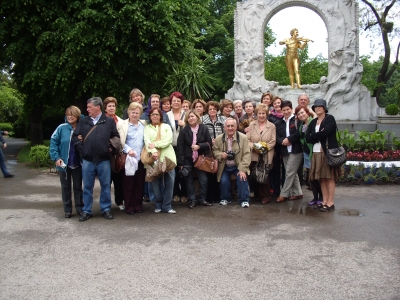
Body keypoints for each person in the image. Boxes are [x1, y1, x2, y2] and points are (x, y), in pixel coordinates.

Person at [73, 97, 120, 221]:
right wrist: (82, 149)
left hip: (104, 160)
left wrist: (110, 148)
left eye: (89, 107)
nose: (87, 109)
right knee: (87, 186)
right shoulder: (83, 122)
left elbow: (116, 137)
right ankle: (87, 210)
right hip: (88, 160)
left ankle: (106, 209)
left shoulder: (109, 121)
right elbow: (75, 138)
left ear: (97, 107)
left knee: (105, 186)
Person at [306, 99, 343, 212]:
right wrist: (317, 134)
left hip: (327, 152)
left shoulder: (329, 118)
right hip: (316, 152)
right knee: (322, 178)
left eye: (320, 106)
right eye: (316, 107)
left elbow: (326, 132)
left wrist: (315, 135)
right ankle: (324, 201)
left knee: (329, 177)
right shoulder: (313, 121)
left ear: (324, 108)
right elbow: (308, 137)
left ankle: (330, 203)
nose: (318, 108)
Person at [50, 106, 84, 218]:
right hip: (64, 164)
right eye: (68, 115)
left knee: (78, 187)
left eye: (72, 114)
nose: (69, 117)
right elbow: (53, 142)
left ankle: (80, 208)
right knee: (65, 187)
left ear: (77, 116)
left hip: (78, 164)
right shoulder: (61, 128)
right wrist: (56, 158)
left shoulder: (82, 128)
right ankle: (68, 210)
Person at [177, 110, 213, 209]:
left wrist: (199, 146)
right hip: (187, 159)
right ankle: (192, 199)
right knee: (188, 180)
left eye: (192, 116)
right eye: (189, 117)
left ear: (197, 117)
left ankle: (202, 199)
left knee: (203, 180)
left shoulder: (204, 128)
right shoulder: (184, 130)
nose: (191, 118)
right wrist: (181, 163)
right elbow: (180, 146)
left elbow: (209, 143)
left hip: (200, 158)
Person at [144, 108, 177, 214]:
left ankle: (167, 205)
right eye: (153, 114)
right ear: (150, 116)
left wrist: (156, 144)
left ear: (160, 116)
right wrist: (153, 152)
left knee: (170, 182)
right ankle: (158, 204)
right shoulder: (147, 128)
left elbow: (169, 140)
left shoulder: (166, 126)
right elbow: (147, 141)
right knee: (155, 183)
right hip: (153, 158)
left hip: (168, 157)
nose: (155, 116)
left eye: (157, 114)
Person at [213, 118, 251, 208]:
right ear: (224, 127)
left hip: (238, 165)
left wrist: (242, 169)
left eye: (232, 126)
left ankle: (244, 200)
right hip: (225, 166)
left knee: (242, 178)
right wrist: (221, 155)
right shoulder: (219, 139)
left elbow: (247, 154)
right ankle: (226, 198)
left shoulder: (243, 138)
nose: (230, 128)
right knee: (224, 181)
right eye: (228, 126)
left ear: (236, 127)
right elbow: (214, 151)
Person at [117, 102, 145, 215]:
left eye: (137, 113)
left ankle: (138, 205)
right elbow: (119, 141)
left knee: (139, 183)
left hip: (141, 158)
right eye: (133, 112)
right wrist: (128, 150)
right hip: (128, 158)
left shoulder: (144, 124)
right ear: (128, 112)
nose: (134, 114)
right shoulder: (122, 124)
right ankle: (129, 206)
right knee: (128, 184)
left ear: (140, 114)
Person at [246, 104, 276, 204]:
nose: (261, 115)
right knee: (255, 174)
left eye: (263, 113)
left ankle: (266, 196)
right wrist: (254, 147)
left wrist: (263, 148)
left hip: (266, 154)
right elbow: (247, 139)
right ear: (256, 114)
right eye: (259, 113)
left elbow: (273, 141)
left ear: (267, 114)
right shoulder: (252, 125)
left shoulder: (271, 126)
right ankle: (258, 195)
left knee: (264, 176)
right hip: (254, 154)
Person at [275, 100, 303, 203]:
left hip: (296, 150)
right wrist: (282, 141)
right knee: (292, 172)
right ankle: (298, 193)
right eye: (284, 110)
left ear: (291, 109)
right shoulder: (280, 122)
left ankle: (284, 194)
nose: (286, 112)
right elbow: (277, 136)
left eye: (288, 109)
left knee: (289, 172)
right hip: (285, 150)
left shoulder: (297, 120)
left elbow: (300, 133)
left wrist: (290, 139)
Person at [295, 106, 323, 206]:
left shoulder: (313, 122)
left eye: (302, 113)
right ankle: (315, 197)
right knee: (311, 178)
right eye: (298, 114)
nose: (301, 115)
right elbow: (301, 136)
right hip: (307, 152)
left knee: (316, 177)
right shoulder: (303, 125)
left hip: (315, 152)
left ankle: (321, 197)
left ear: (307, 113)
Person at [201, 101, 226, 203]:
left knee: (219, 172)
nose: (212, 111)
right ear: (207, 110)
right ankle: (210, 197)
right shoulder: (202, 120)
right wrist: (209, 141)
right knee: (209, 172)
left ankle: (219, 196)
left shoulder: (223, 119)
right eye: (210, 109)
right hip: (208, 149)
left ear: (217, 110)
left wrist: (219, 141)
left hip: (220, 149)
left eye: (214, 109)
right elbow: (200, 134)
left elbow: (227, 132)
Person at [103, 97, 124, 210]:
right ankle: (106, 204)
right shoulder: (102, 121)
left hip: (118, 154)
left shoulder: (120, 121)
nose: (112, 108)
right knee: (106, 181)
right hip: (107, 154)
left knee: (118, 180)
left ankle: (119, 202)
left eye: (113, 106)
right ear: (105, 108)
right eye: (109, 106)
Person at [166, 91, 187, 203]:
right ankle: (175, 193)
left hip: (183, 147)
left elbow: (191, 128)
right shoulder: (166, 115)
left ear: (181, 102)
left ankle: (184, 193)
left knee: (182, 170)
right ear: (171, 102)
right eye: (174, 101)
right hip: (170, 147)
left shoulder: (186, 114)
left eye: (178, 101)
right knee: (172, 171)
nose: (176, 103)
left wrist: (185, 125)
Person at [268, 96, 285, 196]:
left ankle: (286, 190)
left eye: (279, 103)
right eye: (275, 103)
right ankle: (276, 190)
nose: (277, 105)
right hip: (275, 145)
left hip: (285, 144)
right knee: (275, 169)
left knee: (286, 169)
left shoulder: (287, 115)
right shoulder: (270, 116)